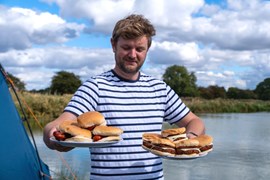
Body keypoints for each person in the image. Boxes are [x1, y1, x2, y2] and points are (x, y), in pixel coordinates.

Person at [43, 14, 205, 180]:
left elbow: (195, 122)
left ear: (148, 49)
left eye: (139, 49)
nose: (133, 55)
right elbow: (60, 124)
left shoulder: (160, 89)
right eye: (126, 47)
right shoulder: (95, 87)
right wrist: (53, 136)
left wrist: (189, 139)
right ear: (113, 45)